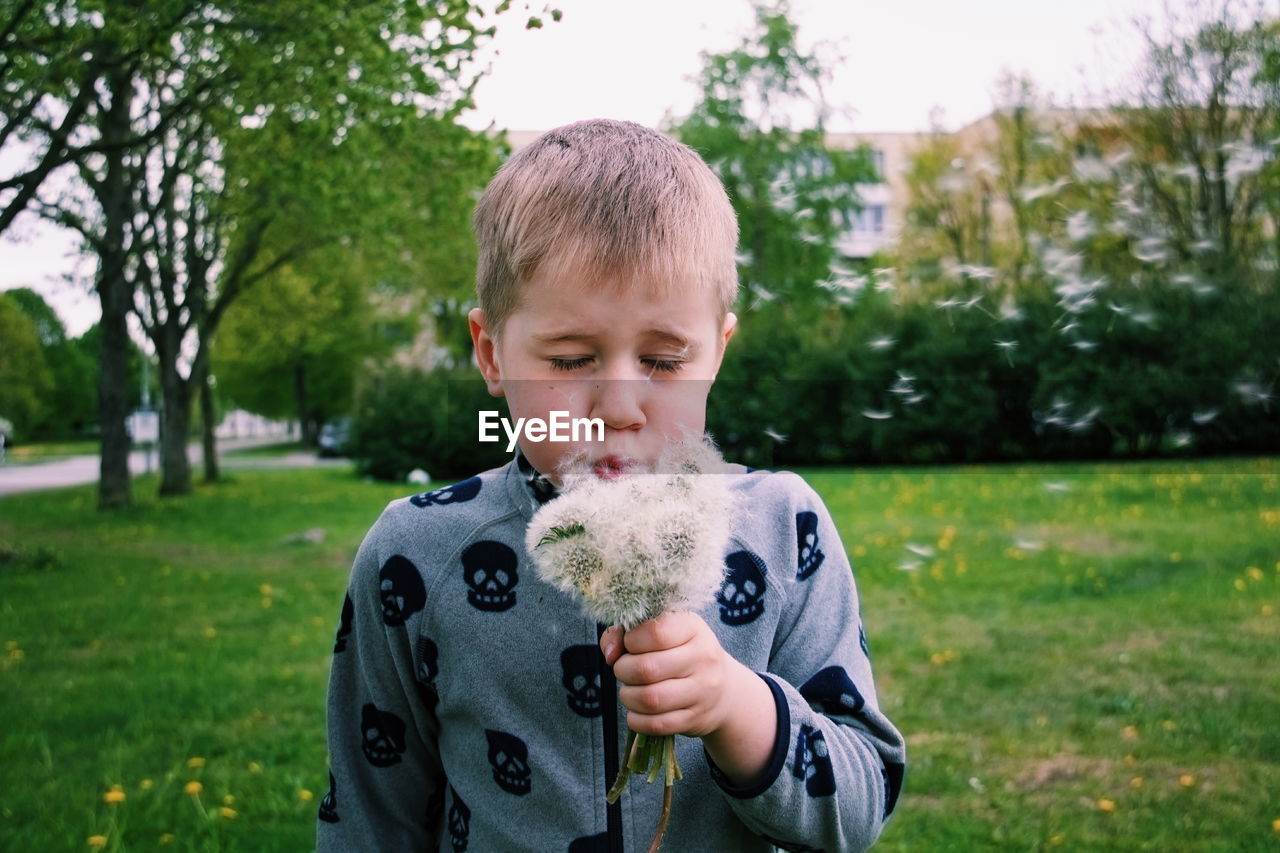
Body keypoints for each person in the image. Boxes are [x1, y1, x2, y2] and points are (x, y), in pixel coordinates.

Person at [319, 119, 906, 852]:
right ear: (491, 353)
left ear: (717, 352)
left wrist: (735, 705)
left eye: (663, 360)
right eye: (570, 360)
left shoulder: (785, 531)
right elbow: (371, 815)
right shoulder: (414, 553)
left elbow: (859, 803)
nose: (620, 406)